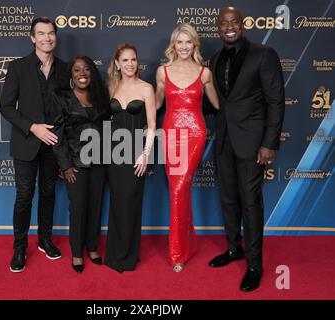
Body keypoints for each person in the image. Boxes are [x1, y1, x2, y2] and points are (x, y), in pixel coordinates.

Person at [207, 7, 285, 291]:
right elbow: (217, 102)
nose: (229, 27)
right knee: (228, 199)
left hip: (253, 143)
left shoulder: (263, 54)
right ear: (218, 28)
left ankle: (254, 265)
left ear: (242, 24)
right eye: (223, 24)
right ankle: (233, 249)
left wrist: (269, 143)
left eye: (234, 22)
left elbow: (276, 101)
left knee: (250, 203)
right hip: (224, 139)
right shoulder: (214, 59)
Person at [0, 17, 68, 272]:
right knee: (24, 197)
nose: (46, 38)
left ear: (55, 37)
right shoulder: (18, 67)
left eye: (50, 33)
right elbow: (6, 107)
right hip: (27, 143)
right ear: (32, 38)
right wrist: (33, 127)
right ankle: (19, 248)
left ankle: (45, 240)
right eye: (41, 34)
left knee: (49, 194)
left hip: (53, 145)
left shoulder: (65, 68)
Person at [155, 23, 220, 272]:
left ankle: (177, 252)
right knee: (177, 190)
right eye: (179, 42)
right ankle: (186, 245)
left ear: (195, 44)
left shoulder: (204, 73)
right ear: (174, 45)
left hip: (195, 133)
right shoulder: (163, 71)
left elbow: (216, 103)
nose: (183, 46)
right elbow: (157, 102)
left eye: (188, 42)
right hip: (170, 133)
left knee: (180, 188)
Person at [51, 56, 110, 273]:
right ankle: (77, 252)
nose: (82, 73)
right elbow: (57, 134)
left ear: (92, 73)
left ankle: (92, 247)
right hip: (75, 163)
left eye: (86, 69)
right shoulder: (61, 98)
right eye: (77, 70)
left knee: (95, 206)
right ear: (71, 75)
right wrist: (65, 165)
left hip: (100, 161)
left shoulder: (101, 96)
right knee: (77, 209)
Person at [104, 43, 157, 273]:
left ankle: (128, 255)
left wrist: (145, 155)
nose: (130, 64)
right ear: (117, 63)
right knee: (117, 202)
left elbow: (153, 126)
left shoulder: (146, 88)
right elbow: (105, 121)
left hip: (136, 152)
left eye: (133, 59)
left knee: (130, 202)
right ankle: (114, 254)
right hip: (113, 152)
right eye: (125, 60)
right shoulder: (111, 87)